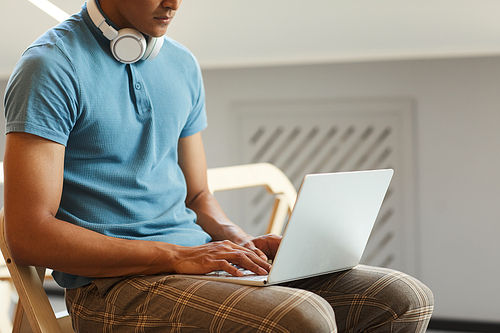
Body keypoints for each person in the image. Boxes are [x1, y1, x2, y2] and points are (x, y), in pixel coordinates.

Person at [3, 0, 434, 331]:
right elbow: (28, 235)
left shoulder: (180, 63)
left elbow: (198, 195)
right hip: (111, 287)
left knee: (401, 296)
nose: (174, 3)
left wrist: (241, 242)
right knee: (303, 317)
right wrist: (178, 255)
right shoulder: (50, 67)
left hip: (192, 263)